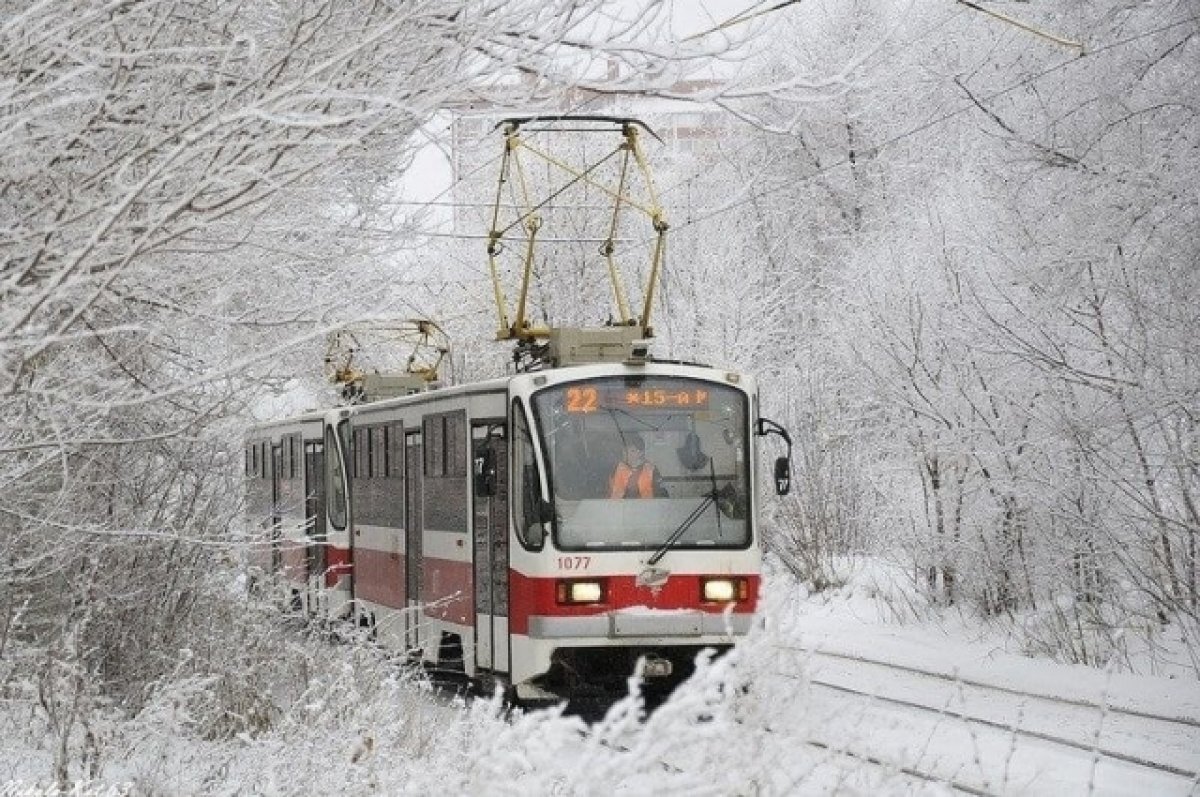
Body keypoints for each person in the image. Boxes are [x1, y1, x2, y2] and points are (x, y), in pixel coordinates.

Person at [609, 432, 667, 499]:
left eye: (632, 451)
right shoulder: (616, 469)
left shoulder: (652, 470)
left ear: (641, 453)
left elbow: (662, 494)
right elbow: (608, 493)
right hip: (621, 508)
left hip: (647, 508)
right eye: (625, 450)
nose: (627, 454)